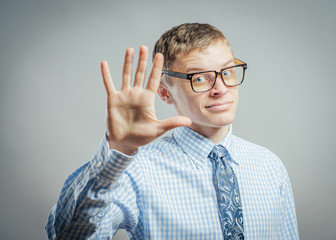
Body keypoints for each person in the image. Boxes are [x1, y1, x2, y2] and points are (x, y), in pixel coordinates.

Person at [45, 23, 299, 239]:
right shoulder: (138, 171)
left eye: (227, 72)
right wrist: (118, 150)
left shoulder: (270, 165)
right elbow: (69, 236)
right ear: (165, 93)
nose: (220, 88)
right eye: (200, 78)